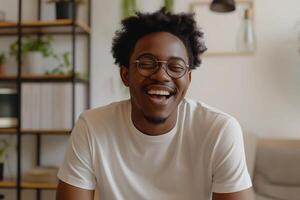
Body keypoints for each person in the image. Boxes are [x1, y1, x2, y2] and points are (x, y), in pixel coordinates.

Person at [56, 8, 252, 200]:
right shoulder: (92, 127)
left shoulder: (219, 130)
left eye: (175, 67)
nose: (160, 75)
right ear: (125, 75)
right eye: (147, 63)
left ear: (188, 79)